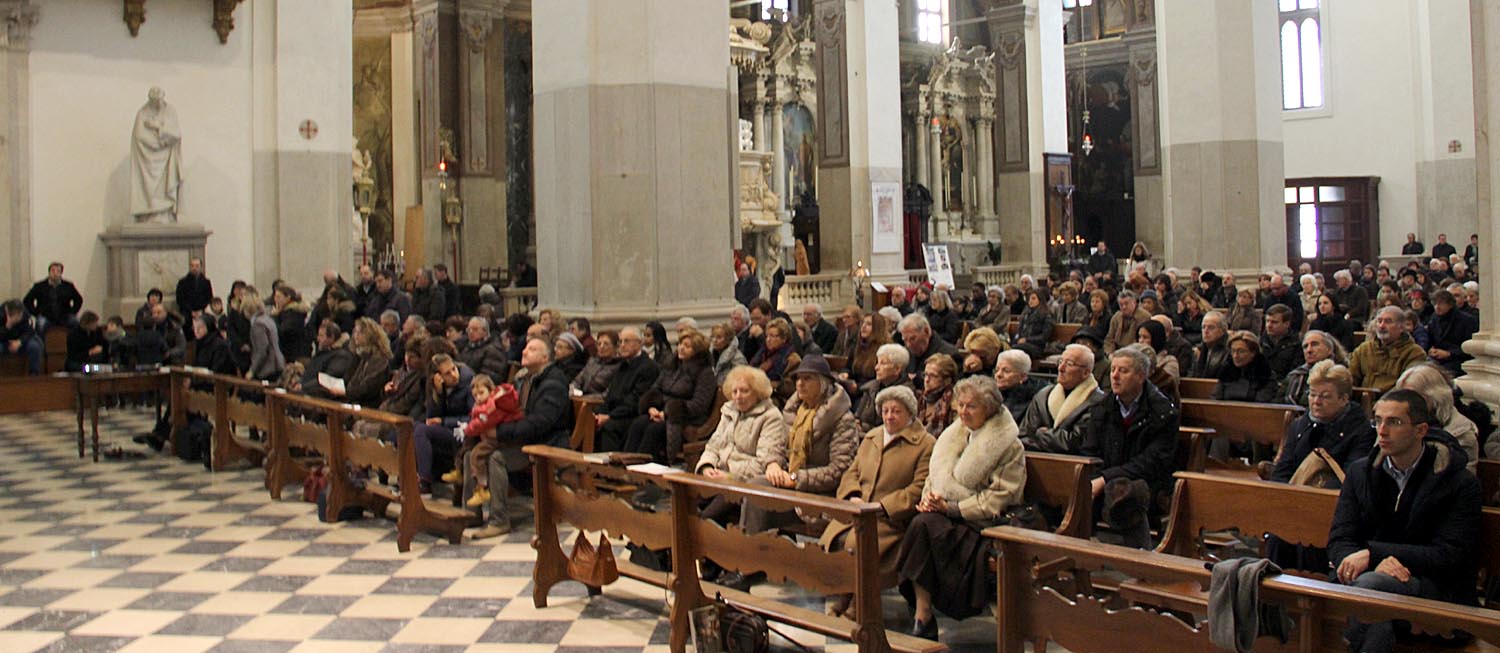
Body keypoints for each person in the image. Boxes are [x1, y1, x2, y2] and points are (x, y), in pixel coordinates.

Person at [1329, 389, 1481, 653]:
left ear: (1421, 430)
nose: (1382, 431)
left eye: (1395, 422)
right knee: (1365, 590)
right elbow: (1340, 537)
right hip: (1368, 579)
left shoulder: (1458, 482)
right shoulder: (1360, 472)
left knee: (1369, 589)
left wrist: (1375, 555)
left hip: (1432, 586)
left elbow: (1450, 555)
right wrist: (1370, 561)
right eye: (1378, 420)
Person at [896, 376, 1025, 639]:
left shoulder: (1009, 446)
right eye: (961, 405)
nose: (963, 412)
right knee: (922, 524)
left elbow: (1000, 498)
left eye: (971, 406)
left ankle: (923, 616)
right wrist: (929, 499)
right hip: (946, 517)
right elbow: (935, 476)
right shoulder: (954, 436)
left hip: (984, 524)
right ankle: (922, 613)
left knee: (923, 526)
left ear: (988, 409)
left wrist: (952, 508)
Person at [719, 355, 859, 591]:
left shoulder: (841, 419)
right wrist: (774, 464)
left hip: (822, 495)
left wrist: (796, 479)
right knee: (756, 486)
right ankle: (746, 561)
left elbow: (840, 470)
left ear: (823, 383)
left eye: (807, 379)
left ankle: (749, 564)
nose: (800, 384)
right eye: (797, 379)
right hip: (792, 485)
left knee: (755, 490)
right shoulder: (795, 411)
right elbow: (779, 448)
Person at [820, 384, 934, 618]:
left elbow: (919, 487)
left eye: (896, 411)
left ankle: (859, 603)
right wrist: (852, 495)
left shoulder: (925, 444)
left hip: (891, 519)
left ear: (910, 414)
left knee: (858, 545)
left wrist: (883, 506)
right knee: (834, 540)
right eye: (885, 411)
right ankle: (844, 594)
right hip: (858, 511)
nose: (889, 416)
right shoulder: (872, 437)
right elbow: (852, 471)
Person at [471, 337, 576, 538]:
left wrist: (500, 432)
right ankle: (472, 514)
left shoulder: (554, 383)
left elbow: (540, 423)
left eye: (532, 349)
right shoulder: (523, 378)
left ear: (545, 357)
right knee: (472, 452)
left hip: (545, 443)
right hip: (523, 439)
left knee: (496, 458)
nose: (524, 351)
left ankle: (499, 521)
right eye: (526, 348)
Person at [1080, 347, 1180, 549]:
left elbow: (1152, 462)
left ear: (1141, 376)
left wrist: (1105, 479)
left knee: (1127, 494)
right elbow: (1090, 450)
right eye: (1113, 370)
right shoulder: (1102, 406)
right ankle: (1077, 554)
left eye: (1123, 371)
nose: (1115, 376)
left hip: (1150, 482)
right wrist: (1098, 478)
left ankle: (1140, 559)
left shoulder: (1163, 412)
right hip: (1105, 477)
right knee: (1077, 486)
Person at [694, 366, 789, 571]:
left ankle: (717, 564)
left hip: (743, 483)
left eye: (744, 391)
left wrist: (729, 475)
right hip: (718, 475)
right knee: (683, 503)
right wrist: (707, 466)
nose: (738, 396)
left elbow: (764, 464)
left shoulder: (770, 417)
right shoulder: (729, 411)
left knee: (707, 518)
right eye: (735, 391)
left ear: (758, 392)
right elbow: (713, 446)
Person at [1271, 360, 1373, 486]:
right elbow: (1281, 471)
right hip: (1294, 492)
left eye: (1325, 396)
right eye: (1312, 394)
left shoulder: (1361, 431)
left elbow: (1351, 479)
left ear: (1343, 399)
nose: (1316, 401)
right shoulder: (1300, 425)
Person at [620, 330, 717, 463]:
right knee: (639, 423)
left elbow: (699, 405)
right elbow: (656, 388)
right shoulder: (672, 366)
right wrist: (651, 407)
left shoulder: (705, 373)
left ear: (697, 351)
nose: (681, 348)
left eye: (687, 346)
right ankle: (625, 463)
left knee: (654, 430)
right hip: (661, 412)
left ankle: (644, 467)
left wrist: (666, 414)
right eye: (680, 344)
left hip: (685, 418)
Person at [449, 374, 524, 509]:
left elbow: (483, 423)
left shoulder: (494, 406)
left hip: (498, 439)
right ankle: (458, 471)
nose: (478, 397)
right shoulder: (483, 404)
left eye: (481, 393)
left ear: (491, 390)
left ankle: (482, 487)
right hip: (487, 435)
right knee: (467, 446)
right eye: (475, 395)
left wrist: (468, 429)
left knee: (476, 455)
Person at [1019, 343, 1105, 453]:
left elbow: (1077, 443)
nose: (1061, 368)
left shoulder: (1098, 401)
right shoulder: (1042, 396)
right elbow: (1024, 436)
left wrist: (1041, 434)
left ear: (1086, 372)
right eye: (1060, 362)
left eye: (1069, 364)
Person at [1395, 363, 1480, 473]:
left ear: (1434, 396)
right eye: (1402, 396)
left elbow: (1465, 479)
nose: (1405, 402)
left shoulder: (1461, 433)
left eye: (1413, 396)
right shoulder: (1391, 424)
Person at [411, 353, 475, 493]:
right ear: (438, 377)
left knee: (422, 431)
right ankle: (410, 476)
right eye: (447, 373)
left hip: (462, 432)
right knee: (413, 428)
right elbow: (431, 417)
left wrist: (445, 421)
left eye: (453, 369)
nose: (454, 375)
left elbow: (473, 417)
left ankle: (424, 480)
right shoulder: (436, 386)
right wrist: (439, 393)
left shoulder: (469, 382)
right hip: (446, 430)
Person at [595, 327, 661, 451]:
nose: (622, 345)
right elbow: (610, 395)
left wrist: (610, 416)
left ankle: (612, 462)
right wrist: (599, 413)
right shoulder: (623, 365)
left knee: (609, 427)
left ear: (639, 343)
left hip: (632, 416)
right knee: (590, 421)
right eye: (620, 342)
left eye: (627, 341)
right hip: (617, 413)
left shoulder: (648, 367)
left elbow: (635, 401)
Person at [1349, 306, 1427, 392]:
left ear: (1401, 327)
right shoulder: (1364, 349)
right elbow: (1351, 378)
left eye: (1388, 322)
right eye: (1379, 321)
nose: (1382, 326)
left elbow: (1409, 387)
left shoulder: (1414, 353)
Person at [854, 344, 912, 432]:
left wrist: (864, 428)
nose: (876, 368)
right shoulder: (870, 388)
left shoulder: (905, 395)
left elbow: (892, 427)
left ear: (897, 369)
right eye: (877, 363)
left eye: (883, 363)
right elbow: (857, 417)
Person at [1282, 330, 1349, 407]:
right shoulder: (1294, 375)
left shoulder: (1340, 375)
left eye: (1314, 344)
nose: (1309, 350)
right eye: (1305, 346)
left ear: (1329, 349)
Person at [1212, 330, 1278, 403]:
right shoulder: (1226, 372)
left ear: (1253, 353)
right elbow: (1216, 398)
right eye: (1233, 351)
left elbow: (1262, 402)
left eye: (1241, 351)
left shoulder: (1265, 374)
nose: (1235, 356)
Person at [1425, 289, 1478, 377]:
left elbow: (1471, 347)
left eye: (1441, 303)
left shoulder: (1467, 320)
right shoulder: (1433, 320)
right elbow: (1429, 341)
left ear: (1450, 304)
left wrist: (1449, 353)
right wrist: (1431, 350)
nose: (1437, 307)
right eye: (1435, 304)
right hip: (1436, 359)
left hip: (1459, 361)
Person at [24, 262, 83, 329]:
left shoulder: (68, 286)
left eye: (58, 271)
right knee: (40, 324)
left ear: (61, 273)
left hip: (64, 316)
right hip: (45, 316)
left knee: (75, 322)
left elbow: (78, 299)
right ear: (49, 272)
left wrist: (72, 312)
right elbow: (27, 300)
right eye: (53, 270)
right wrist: (36, 313)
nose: (55, 273)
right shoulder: (39, 286)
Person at [242, 287, 284, 382]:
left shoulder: (258, 324)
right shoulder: (267, 319)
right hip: (277, 363)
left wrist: (252, 370)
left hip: (268, 368)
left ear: (248, 310)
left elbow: (262, 350)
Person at [1135, 321, 1181, 401]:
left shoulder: (1169, 361)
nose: (1141, 341)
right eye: (1139, 337)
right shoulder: (1134, 359)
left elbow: (1168, 384)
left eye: (1145, 337)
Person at [995, 349, 1044, 423]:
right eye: (997, 370)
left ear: (1023, 376)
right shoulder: (991, 393)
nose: (998, 375)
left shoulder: (1034, 399)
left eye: (1006, 371)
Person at [455, 317, 510, 382]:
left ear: (485, 331)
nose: (471, 332)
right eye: (469, 329)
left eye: (475, 329)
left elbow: (490, 377)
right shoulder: (465, 346)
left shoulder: (494, 349)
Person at [844, 312, 892, 385]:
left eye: (869, 324)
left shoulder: (885, 349)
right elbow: (848, 367)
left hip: (873, 387)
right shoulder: (857, 346)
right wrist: (845, 373)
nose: (863, 326)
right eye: (863, 323)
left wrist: (857, 387)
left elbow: (881, 378)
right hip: (855, 386)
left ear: (877, 328)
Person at [917, 354, 958, 437]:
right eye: (925, 375)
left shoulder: (954, 403)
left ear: (947, 380)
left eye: (933, 376)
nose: (927, 380)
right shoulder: (920, 399)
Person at [572, 330, 622, 395]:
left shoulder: (619, 366)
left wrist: (585, 398)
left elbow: (608, 393)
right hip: (580, 396)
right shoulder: (592, 361)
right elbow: (578, 380)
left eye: (606, 344)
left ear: (615, 347)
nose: (601, 347)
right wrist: (572, 390)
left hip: (597, 399)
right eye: (599, 344)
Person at [1260, 305, 1305, 378]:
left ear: (1286, 324)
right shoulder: (1260, 342)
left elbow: (1295, 372)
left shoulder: (1296, 344)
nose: (1269, 325)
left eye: (1274, 322)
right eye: (1267, 321)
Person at [271, 286, 311, 362]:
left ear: (288, 297)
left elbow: (283, 331)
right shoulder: (284, 312)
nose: (275, 299)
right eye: (275, 297)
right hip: (290, 353)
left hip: (294, 354)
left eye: (278, 297)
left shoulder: (293, 313)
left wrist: (275, 317)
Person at [1011, 288, 1054, 360]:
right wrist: (1016, 339)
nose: (1030, 301)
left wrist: (1027, 340)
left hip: (1037, 346)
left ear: (1040, 300)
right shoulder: (1026, 313)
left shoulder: (1046, 314)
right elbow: (1019, 330)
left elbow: (1044, 336)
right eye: (1029, 299)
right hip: (1023, 343)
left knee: (1015, 349)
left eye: (1033, 299)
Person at [174, 257, 213, 332]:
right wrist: (191, 311)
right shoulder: (182, 282)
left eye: (197, 266)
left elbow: (209, 298)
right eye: (192, 266)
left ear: (201, 267)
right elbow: (180, 299)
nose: (194, 268)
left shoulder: (206, 282)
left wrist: (200, 311)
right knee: (184, 320)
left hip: (202, 310)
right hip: (187, 311)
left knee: (208, 320)